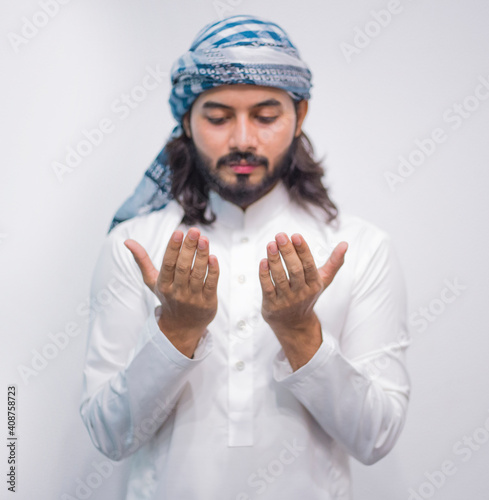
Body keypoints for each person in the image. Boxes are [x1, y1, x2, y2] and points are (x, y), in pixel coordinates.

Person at [79, 14, 411, 500]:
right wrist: (177, 331)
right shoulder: (135, 246)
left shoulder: (360, 249)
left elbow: (376, 437)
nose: (242, 140)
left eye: (265, 115)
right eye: (217, 117)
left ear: (300, 115)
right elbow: (110, 437)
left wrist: (301, 334)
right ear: (187, 122)